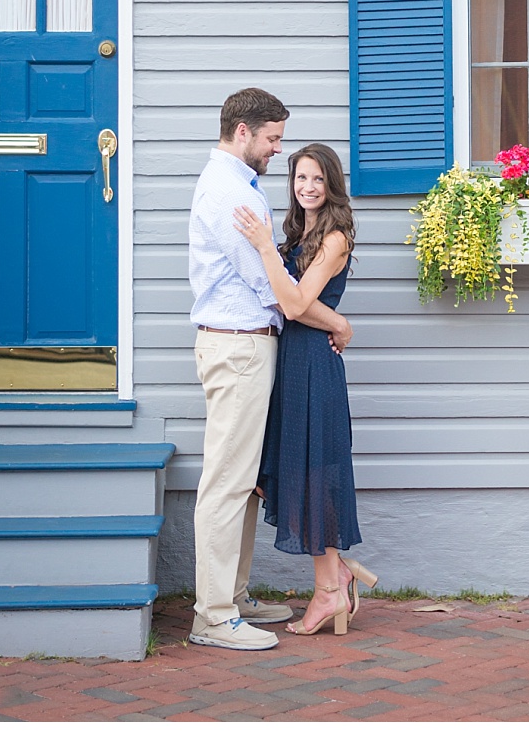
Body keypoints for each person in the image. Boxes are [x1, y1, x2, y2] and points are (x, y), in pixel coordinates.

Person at [188, 89, 352, 651]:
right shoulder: (230, 196)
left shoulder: (244, 190)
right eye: (273, 140)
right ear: (244, 133)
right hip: (238, 348)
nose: (275, 151)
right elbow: (281, 294)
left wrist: (326, 319)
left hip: (257, 350)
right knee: (229, 483)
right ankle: (213, 616)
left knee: (248, 483)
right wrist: (337, 322)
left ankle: (233, 596)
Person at [233, 143, 376, 636]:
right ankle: (335, 575)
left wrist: (264, 246)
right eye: (299, 178)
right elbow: (290, 304)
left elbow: (292, 303)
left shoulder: (334, 237)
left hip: (315, 363)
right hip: (292, 359)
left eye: (317, 179)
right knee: (285, 469)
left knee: (316, 471)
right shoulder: (301, 231)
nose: (307, 187)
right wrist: (339, 320)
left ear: (331, 184)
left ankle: (328, 591)